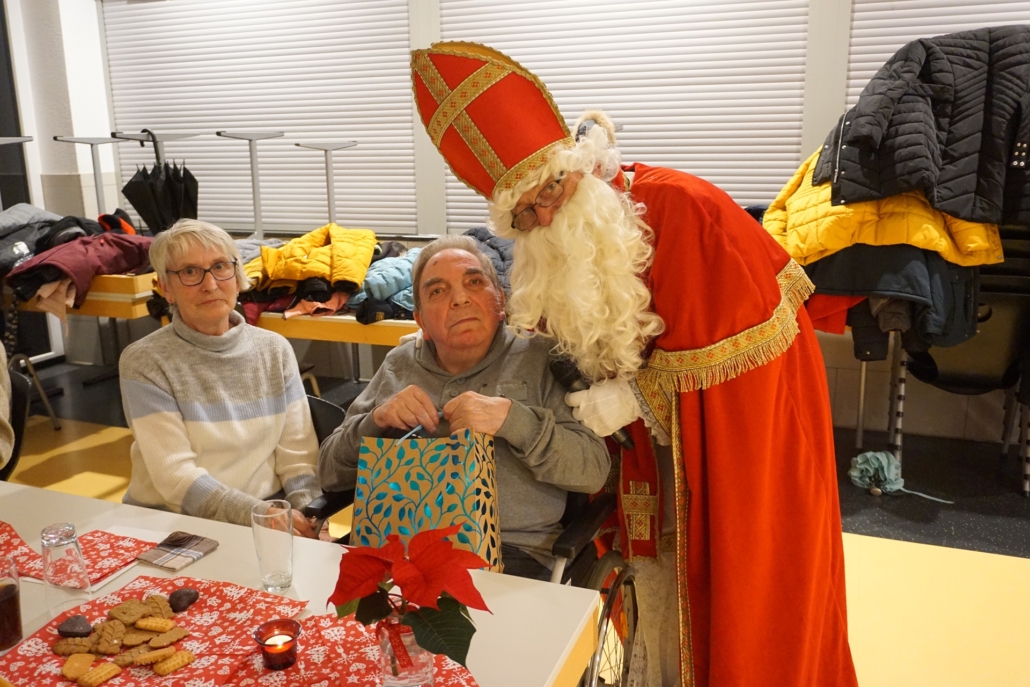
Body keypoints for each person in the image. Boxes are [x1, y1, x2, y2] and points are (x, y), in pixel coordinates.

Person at [411, 43, 858, 687]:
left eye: (550, 189)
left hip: (736, 463)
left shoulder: (686, 209)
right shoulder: (552, 253)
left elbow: (758, 374)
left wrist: (635, 398)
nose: (545, 215)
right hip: (643, 470)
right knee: (658, 615)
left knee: (739, 610)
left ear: (576, 164)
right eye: (525, 213)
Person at [318, 235, 610, 580]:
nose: (459, 298)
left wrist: (514, 421)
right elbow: (329, 473)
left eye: (474, 282)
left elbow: (594, 470)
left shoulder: (542, 358)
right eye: (437, 291)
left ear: (500, 301)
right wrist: (374, 421)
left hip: (512, 553)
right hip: (399, 545)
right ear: (420, 320)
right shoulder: (399, 364)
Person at [120, 219, 321, 537]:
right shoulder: (144, 361)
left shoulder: (274, 350)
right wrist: (257, 515)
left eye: (220, 267)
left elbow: (299, 459)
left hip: (267, 520)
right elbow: (176, 476)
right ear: (165, 288)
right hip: (173, 524)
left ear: (238, 276)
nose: (210, 284)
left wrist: (311, 519)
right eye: (190, 272)